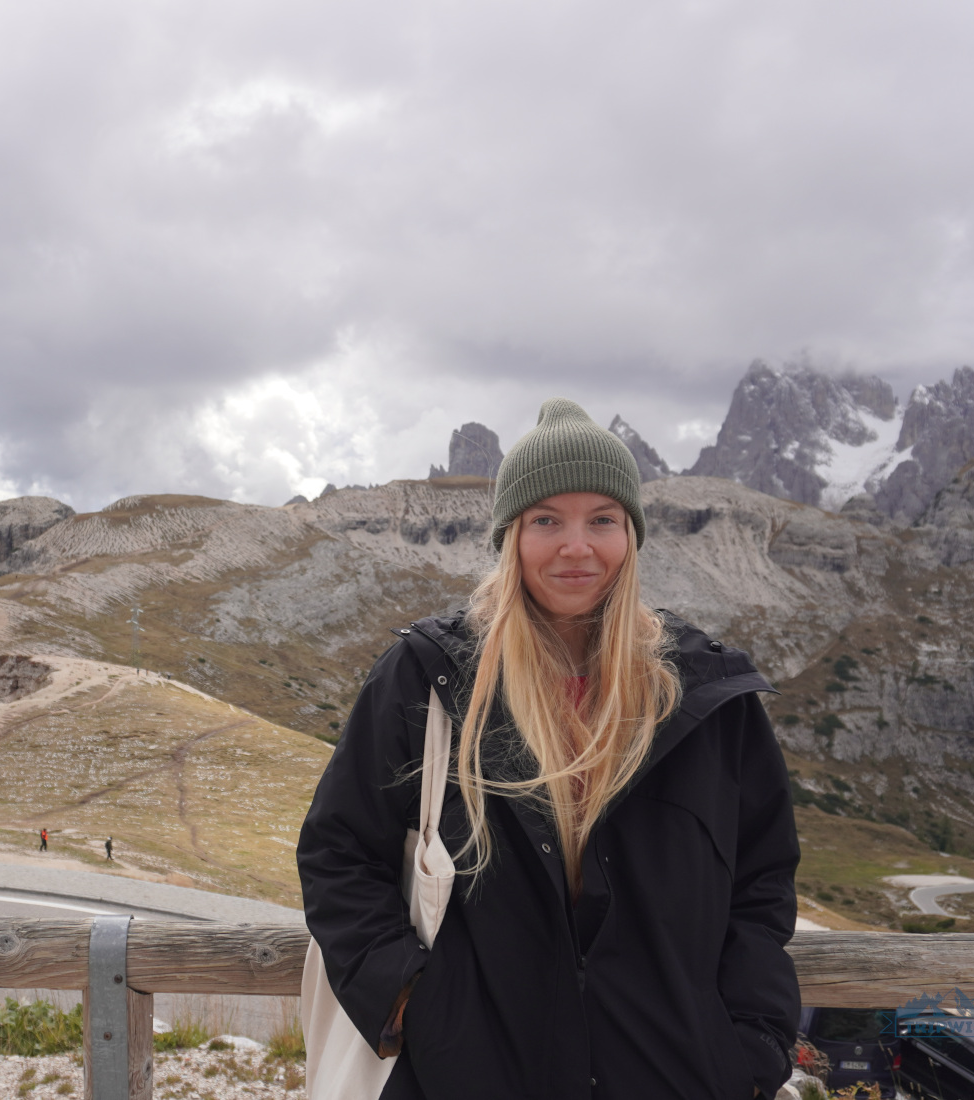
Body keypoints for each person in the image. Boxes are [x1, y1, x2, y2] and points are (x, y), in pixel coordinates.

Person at [297, 399, 799, 1100]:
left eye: (602, 519)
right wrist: (416, 1006)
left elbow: (762, 884)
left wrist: (747, 1046)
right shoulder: (430, 676)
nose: (576, 546)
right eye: (546, 521)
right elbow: (337, 852)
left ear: (631, 534)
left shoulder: (709, 695)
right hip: (474, 1079)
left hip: (675, 1078)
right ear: (511, 536)